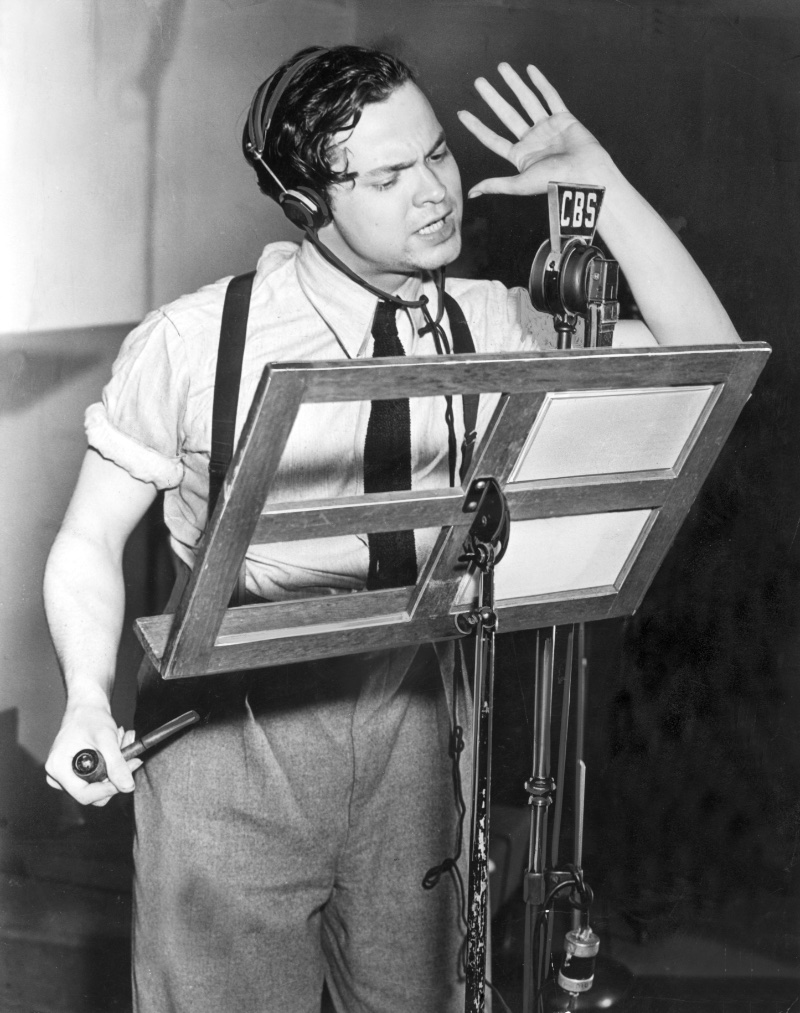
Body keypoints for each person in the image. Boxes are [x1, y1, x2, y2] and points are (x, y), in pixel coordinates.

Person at [42, 45, 740, 1013]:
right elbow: (86, 541)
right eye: (386, 175)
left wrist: (602, 189)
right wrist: (82, 694)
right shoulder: (196, 341)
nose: (434, 194)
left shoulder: (489, 324)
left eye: (437, 157)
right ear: (305, 202)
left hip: (418, 719)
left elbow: (703, 361)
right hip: (229, 734)